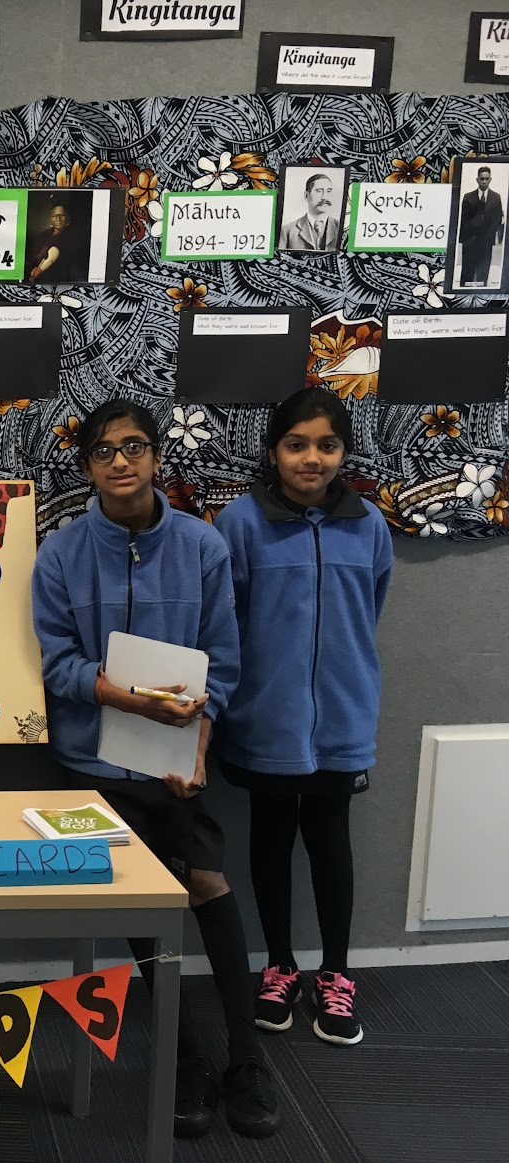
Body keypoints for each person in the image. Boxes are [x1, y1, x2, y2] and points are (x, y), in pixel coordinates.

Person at [31, 399, 279, 1140]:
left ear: (157, 457)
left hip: (178, 758)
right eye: (104, 451)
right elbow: (56, 664)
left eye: (134, 446)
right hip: (95, 760)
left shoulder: (202, 545)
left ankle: (248, 1058)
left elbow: (222, 661)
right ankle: (187, 1057)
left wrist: (196, 750)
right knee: (142, 900)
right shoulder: (60, 553)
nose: (121, 461)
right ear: (87, 467)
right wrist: (120, 696)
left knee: (207, 884)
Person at [214, 387, 393, 1049]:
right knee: (269, 838)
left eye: (326, 445)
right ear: (273, 451)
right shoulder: (239, 523)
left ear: (344, 453)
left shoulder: (368, 524)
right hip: (265, 719)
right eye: (296, 444)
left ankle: (336, 972)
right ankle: (280, 966)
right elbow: (225, 621)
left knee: (329, 841)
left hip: (342, 719)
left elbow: (370, 608)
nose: (311, 458)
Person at [458, 165, 503, 286]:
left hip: (486, 240)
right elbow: (464, 219)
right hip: (470, 239)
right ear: (477, 179)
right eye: (482, 179)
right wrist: (468, 237)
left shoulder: (495, 197)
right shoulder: (468, 197)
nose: (484, 181)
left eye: (486, 179)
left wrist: (490, 234)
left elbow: (497, 219)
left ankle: (482, 289)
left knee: (483, 269)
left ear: (490, 179)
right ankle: (464, 290)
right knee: (468, 270)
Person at [281, 173, 340, 251]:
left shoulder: (341, 229)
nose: (325, 197)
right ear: (306, 196)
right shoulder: (287, 231)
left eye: (328, 191)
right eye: (319, 191)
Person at [26, 203, 84, 282]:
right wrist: (32, 270)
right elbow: (31, 257)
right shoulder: (42, 236)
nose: (58, 219)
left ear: (67, 218)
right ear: (51, 219)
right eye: (54, 216)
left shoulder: (74, 239)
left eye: (61, 215)